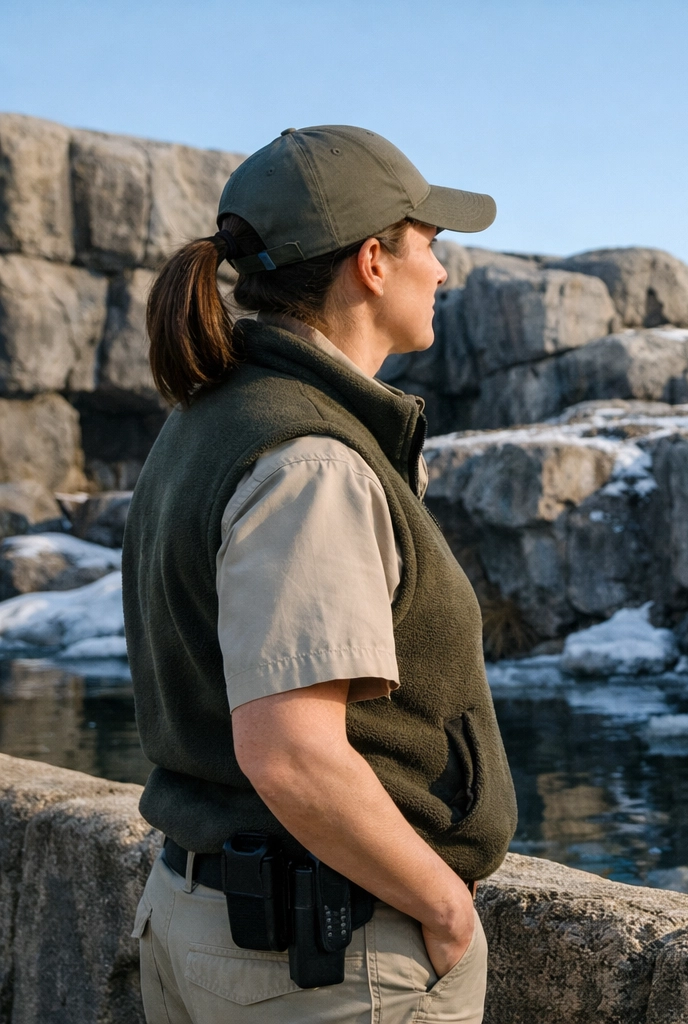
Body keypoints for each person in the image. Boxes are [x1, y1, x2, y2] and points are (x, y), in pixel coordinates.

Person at [123, 125, 516, 1023]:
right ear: (372, 261)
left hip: (210, 921)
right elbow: (291, 750)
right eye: (432, 244)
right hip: (324, 963)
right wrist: (444, 905)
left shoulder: (208, 418)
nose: (444, 272)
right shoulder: (310, 459)